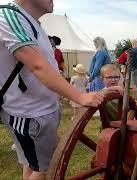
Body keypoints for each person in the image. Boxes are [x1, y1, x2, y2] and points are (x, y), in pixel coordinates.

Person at [0, 1, 104, 179]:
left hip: (38, 111)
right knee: (45, 171)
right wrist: (80, 96)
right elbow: (38, 66)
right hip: (30, 113)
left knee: (32, 164)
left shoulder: (32, 22)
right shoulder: (9, 16)